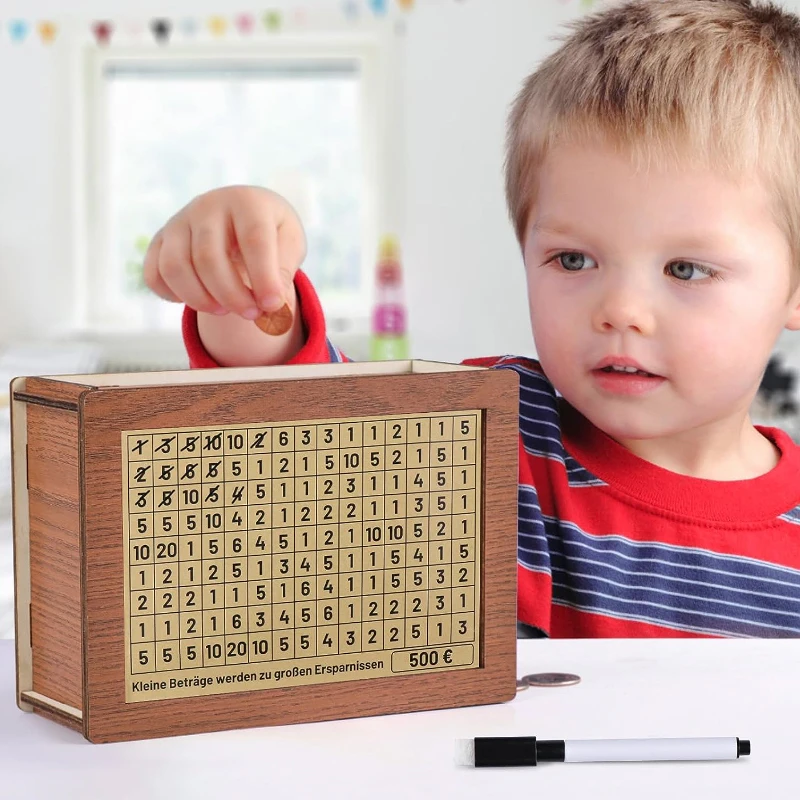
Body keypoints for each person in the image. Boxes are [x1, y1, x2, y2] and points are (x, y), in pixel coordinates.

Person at [144, 0, 800, 638]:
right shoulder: (498, 431)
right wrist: (242, 289)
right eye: (573, 259)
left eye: (686, 269)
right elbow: (310, 430)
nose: (620, 310)